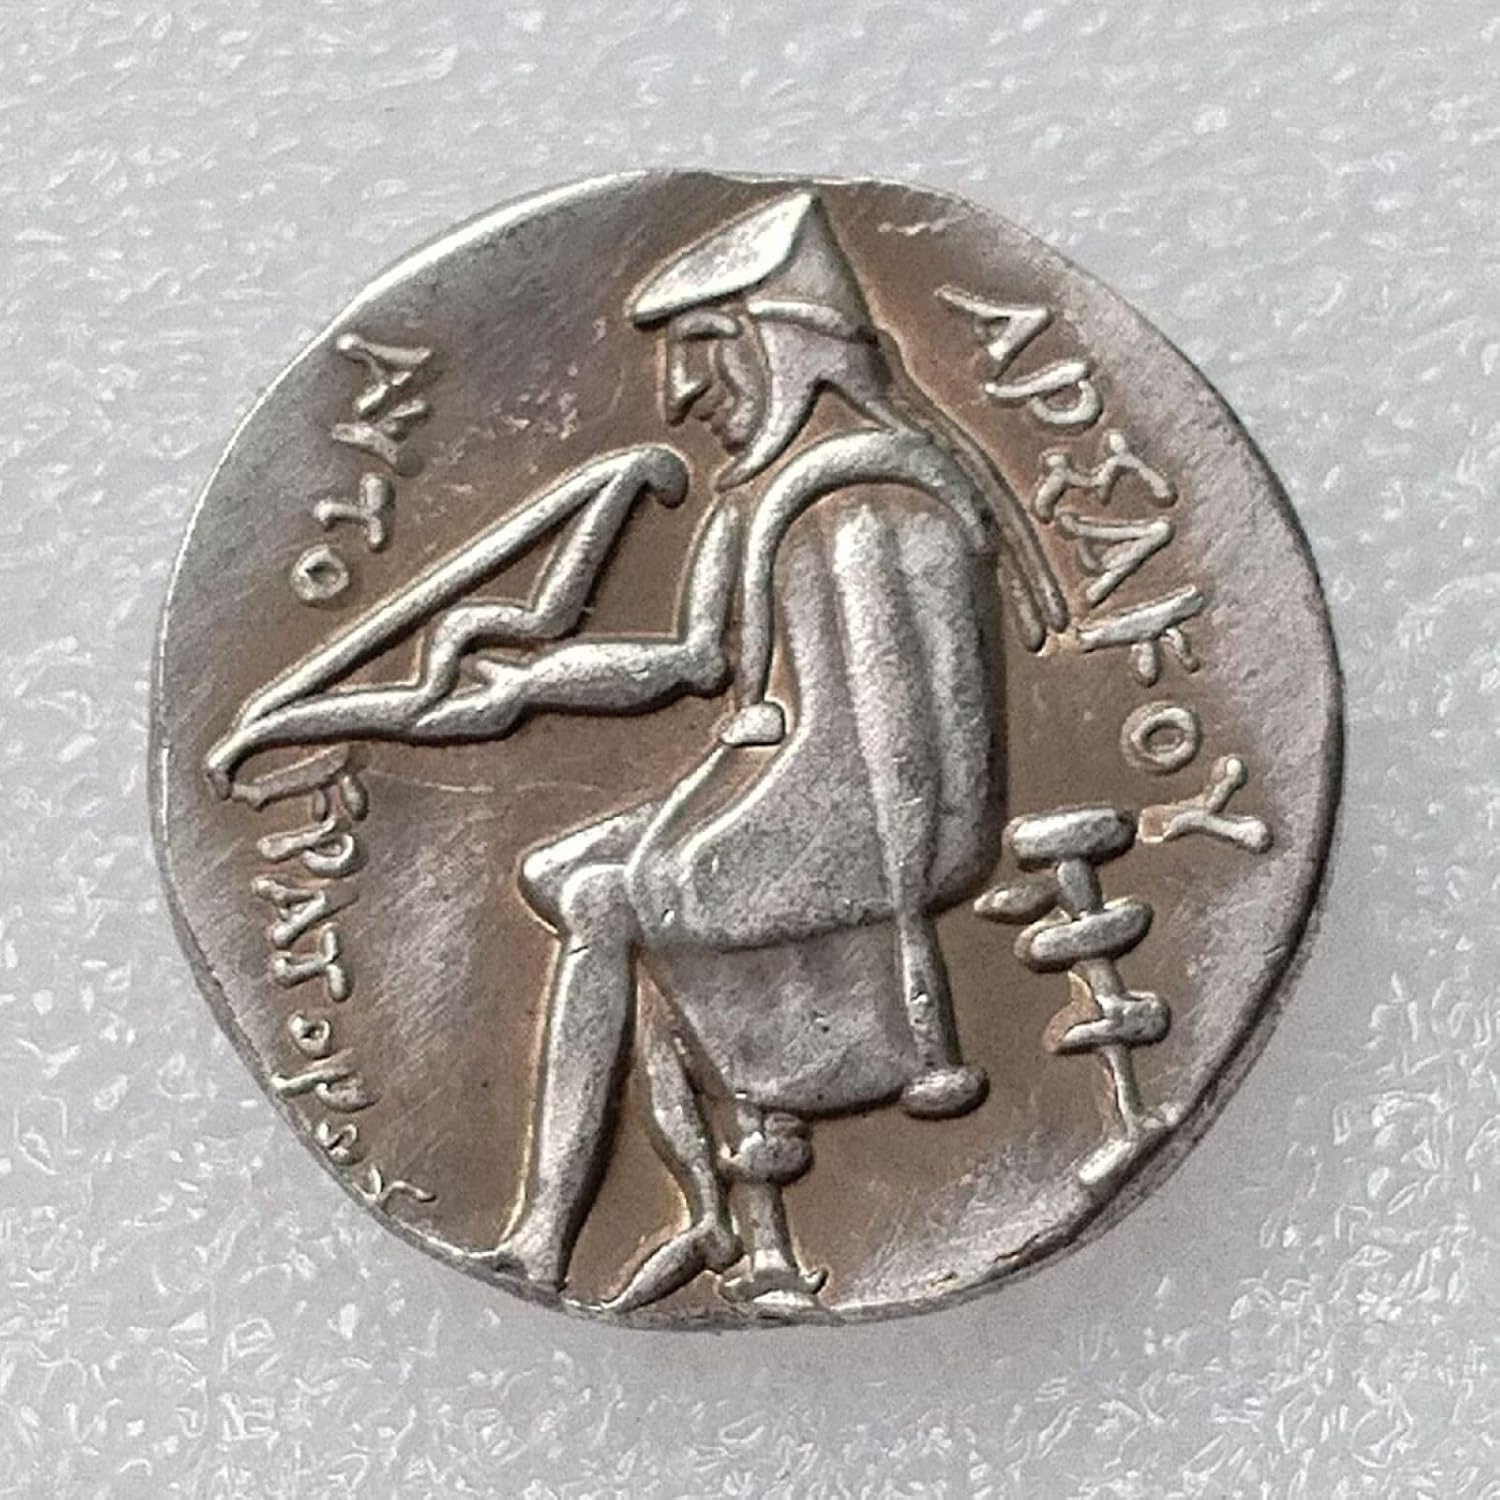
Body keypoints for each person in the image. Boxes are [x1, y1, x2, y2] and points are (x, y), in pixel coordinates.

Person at [207, 191, 1068, 1306]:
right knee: (559, 874)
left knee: (606, 899)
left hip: (881, 831)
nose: (683, 395)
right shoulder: (763, 502)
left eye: (701, 356)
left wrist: (752, 858)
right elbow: (691, 662)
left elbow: (907, 757)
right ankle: (703, 1203)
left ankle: (548, 1235)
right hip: (808, 794)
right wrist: (524, 680)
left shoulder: (867, 505)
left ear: (770, 343)